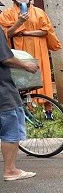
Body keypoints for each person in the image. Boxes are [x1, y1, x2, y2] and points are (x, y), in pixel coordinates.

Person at [0, 0, 62, 105]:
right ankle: (27, 107)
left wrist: (26, 33)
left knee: (42, 74)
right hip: (19, 51)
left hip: (39, 49)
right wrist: (20, 22)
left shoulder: (39, 12)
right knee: (22, 79)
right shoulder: (6, 14)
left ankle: (48, 108)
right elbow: (6, 34)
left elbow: (46, 31)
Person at [0, 31, 41, 182]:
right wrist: (25, 65)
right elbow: (5, 58)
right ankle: (10, 170)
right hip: (2, 90)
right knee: (10, 127)